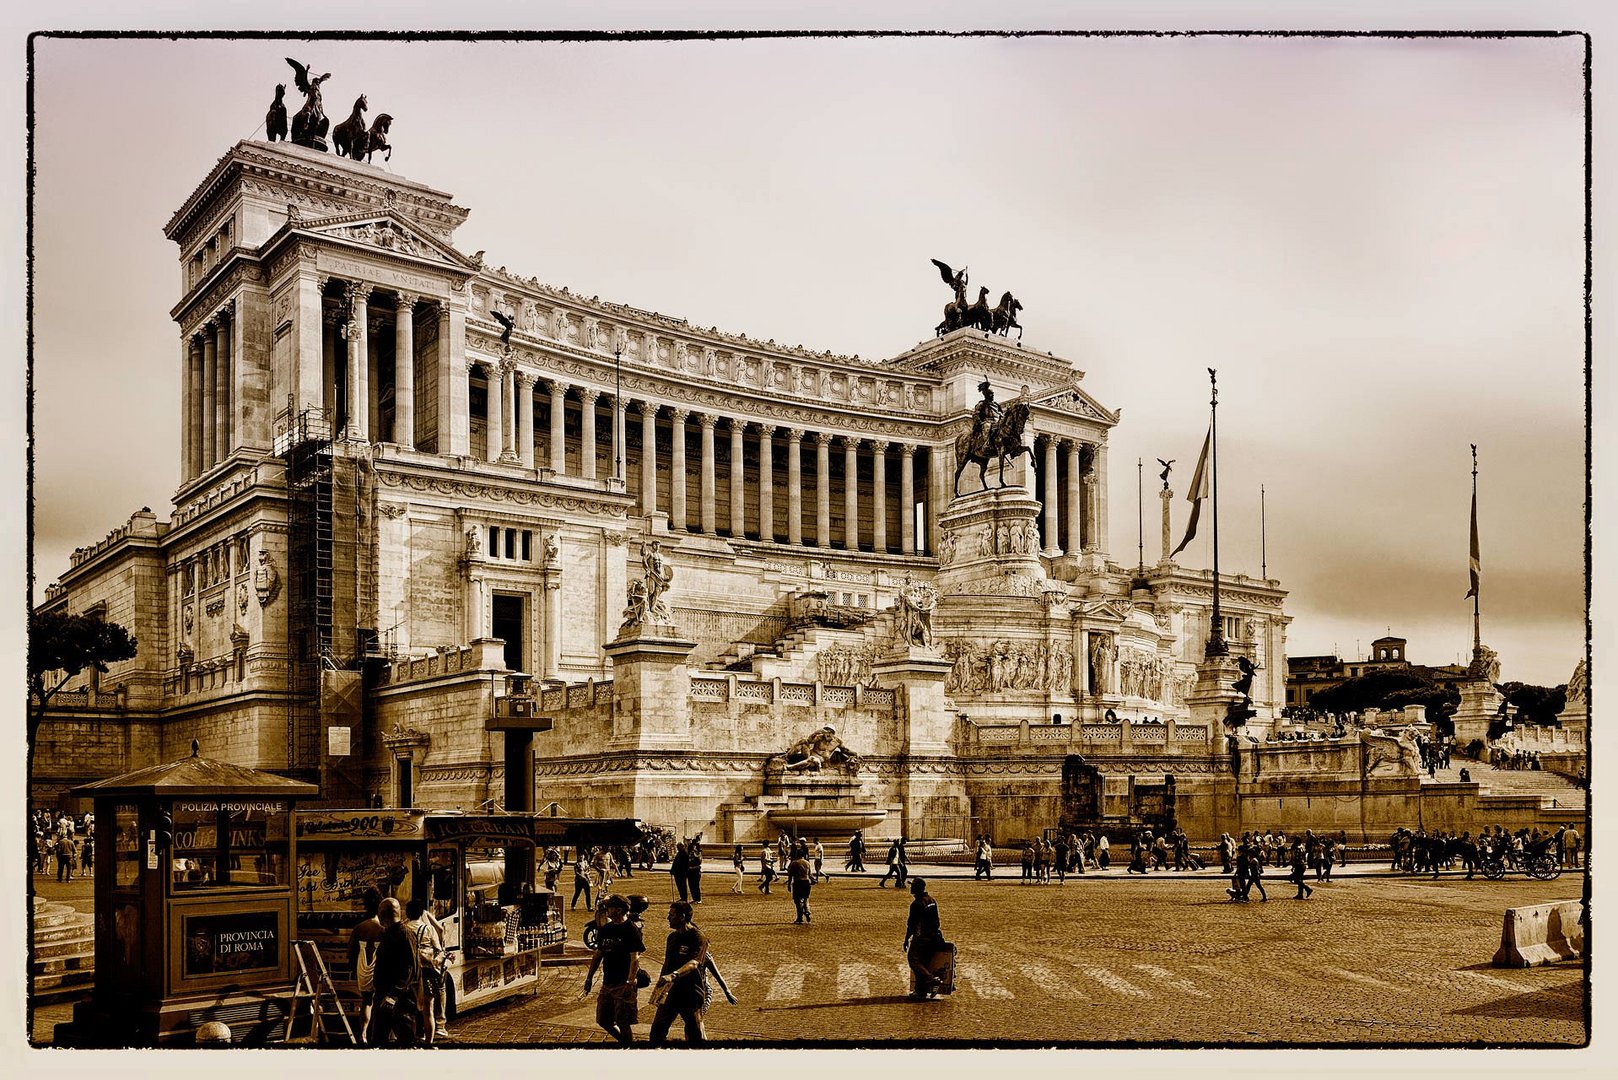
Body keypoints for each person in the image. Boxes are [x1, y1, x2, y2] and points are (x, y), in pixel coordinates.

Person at [582, 894, 643, 1046]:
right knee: (603, 1020)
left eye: (610, 907)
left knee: (623, 1022)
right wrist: (589, 978)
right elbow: (598, 954)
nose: (607, 910)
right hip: (607, 982)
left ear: (619, 910)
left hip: (623, 982)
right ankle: (625, 1043)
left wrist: (629, 982)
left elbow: (635, 958)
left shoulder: (631, 930)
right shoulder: (606, 929)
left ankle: (628, 1048)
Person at [648, 900, 711, 1046]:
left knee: (694, 1033)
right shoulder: (672, 937)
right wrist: (659, 987)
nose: (667, 918)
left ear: (682, 917)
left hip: (690, 993)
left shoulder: (698, 937)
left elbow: (694, 963)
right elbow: (667, 963)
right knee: (657, 1032)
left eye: (671, 915)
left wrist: (674, 975)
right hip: (670, 993)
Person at [369, 898, 423, 1047]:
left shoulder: (404, 934)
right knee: (379, 1039)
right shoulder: (389, 933)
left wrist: (393, 995)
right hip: (384, 996)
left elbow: (409, 968)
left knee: (405, 1040)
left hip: (400, 999)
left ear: (383, 914)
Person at [404, 898, 447, 1044]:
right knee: (428, 1010)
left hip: (408, 973)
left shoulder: (403, 928)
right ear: (422, 913)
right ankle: (428, 1041)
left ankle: (413, 1038)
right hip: (427, 972)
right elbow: (439, 951)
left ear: (407, 913)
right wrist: (436, 962)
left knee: (408, 1009)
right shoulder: (427, 929)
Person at [902, 878, 951, 1001]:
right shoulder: (931, 900)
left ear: (917, 888)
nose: (910, 888)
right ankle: (921, 991)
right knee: (923, 962)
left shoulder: (917, 904)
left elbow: (912, 924)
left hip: (922, 938)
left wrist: (907, 938)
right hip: (934, 936)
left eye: (912, 886)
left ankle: (931, 980)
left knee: (913, 960)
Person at [347, 888, 385, 1043]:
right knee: (381, 1003)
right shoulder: (383, 929)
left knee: (366, 1002)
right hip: (380, 971)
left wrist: (354, 969)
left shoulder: (359, 928)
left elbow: (351, 953)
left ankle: (362, 1034)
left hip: (362, 969)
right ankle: (380, 1034)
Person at [787, 848, 814, 924]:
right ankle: (807, 911)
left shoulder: (794, 863)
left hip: (798, 882)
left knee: (797, 901)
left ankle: (800, 917)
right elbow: (810, 874)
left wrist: (789, 884)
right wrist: (813, 880)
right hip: (806, 882)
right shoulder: (807, 863)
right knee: (806, 899)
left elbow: (790, 875)